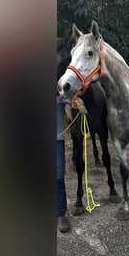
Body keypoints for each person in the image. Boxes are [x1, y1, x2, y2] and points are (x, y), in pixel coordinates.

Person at [57, 96, 70, 233]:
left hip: (57, 140)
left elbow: (69, 114)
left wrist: (78, 104)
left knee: (58, 177)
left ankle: (60, 214)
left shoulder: (60, 93)